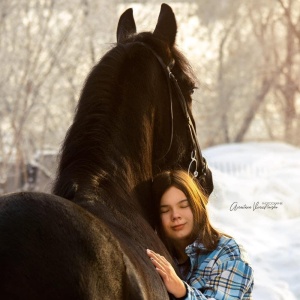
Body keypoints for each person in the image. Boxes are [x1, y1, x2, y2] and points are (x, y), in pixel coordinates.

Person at [146, 170, 254, 299]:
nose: (175, 215)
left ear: (197, 206)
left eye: (184, 206)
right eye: (165, 210)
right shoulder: (158, 255)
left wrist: (182, 290)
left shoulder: (227, 253)